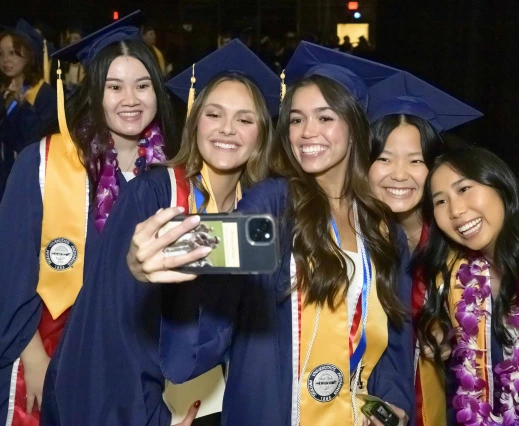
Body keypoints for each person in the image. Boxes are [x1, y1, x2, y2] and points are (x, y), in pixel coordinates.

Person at [128, 41, 415, 426]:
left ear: (354, 126)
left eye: (325, 118)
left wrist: (393, 402)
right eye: (295, 119)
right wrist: (156, 255)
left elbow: (394, 336)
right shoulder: (274, 202)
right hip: (273, 409)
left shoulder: (381, 228)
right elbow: (220, 247)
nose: (307, 132)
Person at [41, 38, 279, 426]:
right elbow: (112, 332)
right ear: (194, 120)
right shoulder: (153, 195)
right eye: (214, 114)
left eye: (245, 119)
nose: (227, 130)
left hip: (218, 405)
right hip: (141, 409)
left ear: (261, 134)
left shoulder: (255, 215)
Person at [0, 11, 177, 426]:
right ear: (93, 90)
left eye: (142, 85)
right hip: (45, 357)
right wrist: (37, 361)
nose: (130, 99)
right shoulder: (43, 164)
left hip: (133, 368)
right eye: (113, 86)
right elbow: (9, 274)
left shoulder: (170, 175)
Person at [416, 146, 519, 425]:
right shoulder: (458, 279)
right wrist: (440, 331)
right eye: (440, 201)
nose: (456, 210)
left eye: (464, 189)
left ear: (499, 183)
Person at [366, 71, 482, 426]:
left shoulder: (459, 238)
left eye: (416, 160)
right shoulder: (350, 237)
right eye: (384, 158)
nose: (399, 175)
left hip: (448, 401)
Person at [0, 19, 57, 200]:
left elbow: (32, 144)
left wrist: (22, 107)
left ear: (30, 54)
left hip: (29, 186)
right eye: (1, 54)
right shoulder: (5, 90)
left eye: (13, 53)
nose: (5, 60)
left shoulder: (45, 96)